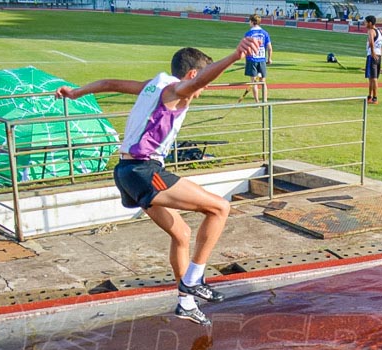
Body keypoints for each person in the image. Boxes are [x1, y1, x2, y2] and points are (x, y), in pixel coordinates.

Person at [55, 37, 262, 326]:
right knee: (218, 209)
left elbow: (108, 83)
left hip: (125, 172)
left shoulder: (151, 87)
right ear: (192, 76)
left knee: (181, 234)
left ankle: (186, 303)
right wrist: (234, 57)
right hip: (144, 171)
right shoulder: (178, 90)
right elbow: (201, 78)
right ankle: (194, 279)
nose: (203, 90)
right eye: (202, 84)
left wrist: (75, 93)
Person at [244, 14, 272, 103]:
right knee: (263, 82)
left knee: (253, 82)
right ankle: (265, 101)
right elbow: (270, 48)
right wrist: (269, 59)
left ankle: (257, 103)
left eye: (249, 21)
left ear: (252, 22)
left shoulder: (248, 34)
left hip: (252, 59)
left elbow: (246, 48)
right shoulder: (265, 33)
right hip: (262, 59)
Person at [364, 15, 382, 105]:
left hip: (373, 56)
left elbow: (371, 41)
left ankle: (375, 98)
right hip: (378, 55)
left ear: (370, 23)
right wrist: (381, 49)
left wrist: (372, 52)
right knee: (371, 78)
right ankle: (370, 96)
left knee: (374, 78)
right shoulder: (379, 31)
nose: (365, 24)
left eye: (366, 22)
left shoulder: (371, 31)